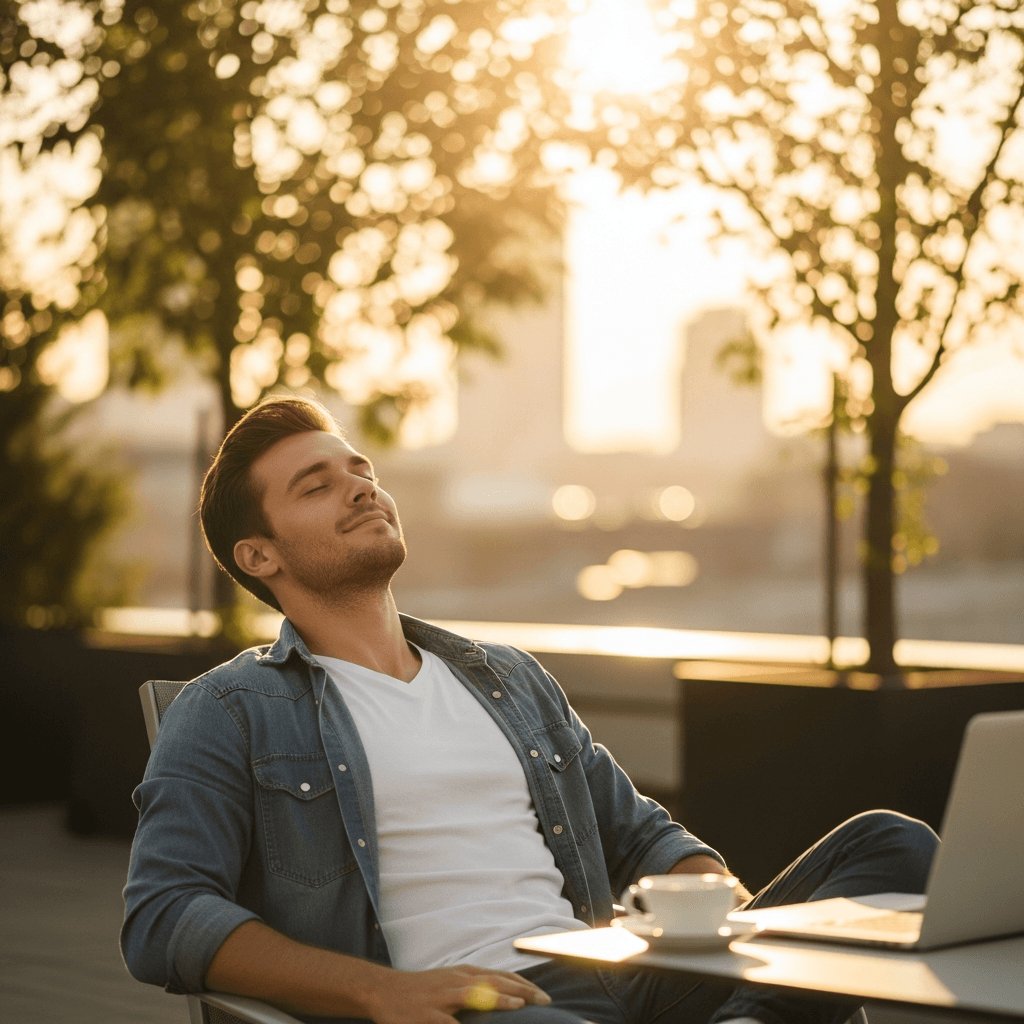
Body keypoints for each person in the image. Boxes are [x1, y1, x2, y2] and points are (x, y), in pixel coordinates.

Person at [121, 395, 938, 1024]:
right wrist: (380, 994)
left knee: (891, 845)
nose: (362, 489)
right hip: (487, 1004)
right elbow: (163, 916)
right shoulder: (229, 709)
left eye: (361, 470)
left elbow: (644, 837)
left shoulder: (508, 679)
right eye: (317, 485)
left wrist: (715, 909)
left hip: (621, 975)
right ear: (259, 555)